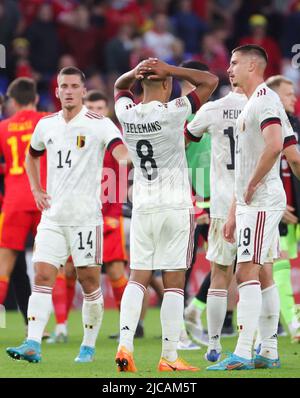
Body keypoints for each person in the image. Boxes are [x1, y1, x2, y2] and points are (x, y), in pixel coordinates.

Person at [6, 66, 130, 364]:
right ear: (57, 90)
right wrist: (36, 188)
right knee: (43, 274)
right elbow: (31, 155)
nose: (69, 90)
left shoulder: (99, 124)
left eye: (75, 85)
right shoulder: (46, 125)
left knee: (89, 281)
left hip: (86, 218)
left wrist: (129, 160)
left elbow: (119, 151)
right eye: (64, 86)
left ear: (83, 91)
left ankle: (87, 346)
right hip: (53, 216)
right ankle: (33, 342)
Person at [114, 57, 218, 372]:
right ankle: (169, 357)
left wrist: (135, 72)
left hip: (143, 206)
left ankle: (125, 346)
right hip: (174, 205)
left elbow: (120, 87)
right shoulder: (175, 112)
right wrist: (171, 69)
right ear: (167, 84)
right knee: (173, 282)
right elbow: (210, 81)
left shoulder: (126, 113)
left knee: (138, 277)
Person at [207, 44, 297, 371]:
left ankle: (243, 352)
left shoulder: (265, 100)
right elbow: (264, 159)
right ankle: (269, 350)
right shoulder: (252, 104)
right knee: (263, 272)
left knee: (246, 270)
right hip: (249, 202)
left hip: (261, 200)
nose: (228, 69)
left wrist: (254, 184)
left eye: (234, 63)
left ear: (252, 66)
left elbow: (274, 147)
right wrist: (233, 212)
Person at [185, 81, 247, 361]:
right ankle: (259, 343)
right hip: (243, 202)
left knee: (224, 270)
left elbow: (186, 141)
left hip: (220, 201)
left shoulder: (213, 110)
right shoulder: (264, 107)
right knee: (254, 273)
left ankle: (213, 337)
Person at [0, 78, 47, 326]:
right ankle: (51, 326)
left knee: (4, 268)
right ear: (36, 98)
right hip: (44, 198)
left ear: (13, 101)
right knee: (48, 265)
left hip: (13, 201)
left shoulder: (3, 127)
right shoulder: (48, 121)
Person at [265, 75, 300, 343]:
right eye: (289, 94)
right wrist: (277, 206)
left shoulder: (295, 125)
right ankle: (294, 325)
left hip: (295, 209)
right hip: (277, 210)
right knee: (280, 269)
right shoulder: (265, 128)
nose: (294, 99)